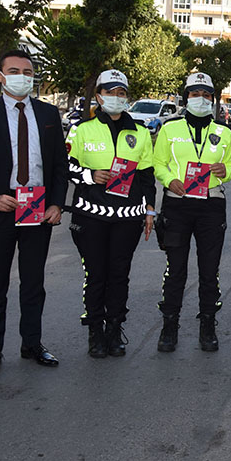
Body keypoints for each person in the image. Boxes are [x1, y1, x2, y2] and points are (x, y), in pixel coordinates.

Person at [0, 50, 69, 377]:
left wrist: (56, 203)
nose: (21, 76)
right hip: (1, 206)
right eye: (14, 70)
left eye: (27, 71)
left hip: (37, 206)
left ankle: (32, 343)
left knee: (33, 281)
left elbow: (58, 166)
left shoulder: (49, 113)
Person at [64, 69, 155, 358]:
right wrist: (91, 176)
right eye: (110, 91)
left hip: (128, 218)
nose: (115, 97)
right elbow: (66, 166)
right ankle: (94, 331)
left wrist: (150, 210)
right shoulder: (82, 129)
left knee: (119, 274)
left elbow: (147, 176)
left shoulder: (140, 133)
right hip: (91, 216)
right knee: (96, 274)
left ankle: (115, 329)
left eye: (121, 92)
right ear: (99, 94)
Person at [151, 72, 231, 353]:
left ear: (213, 98)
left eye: (206, 94)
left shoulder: (224, 132)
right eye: (195, 94)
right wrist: (168, 180)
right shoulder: (169, 129)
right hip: (177, 203)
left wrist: (226, 171)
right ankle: (169, 324)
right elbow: (158, 163)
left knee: (209, 270)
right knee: (175, 269)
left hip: (211, 206)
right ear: (185, 97)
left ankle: (208, 324)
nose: (201, 99)